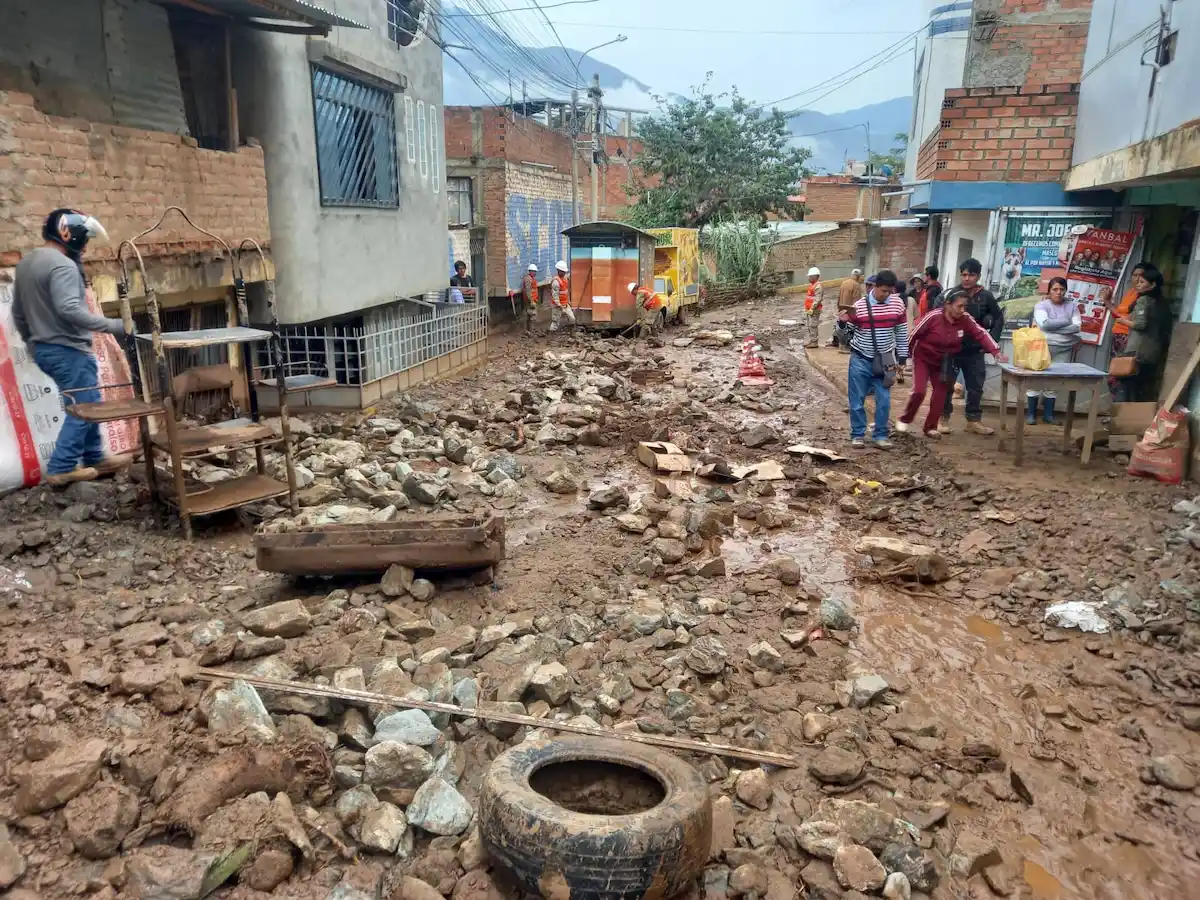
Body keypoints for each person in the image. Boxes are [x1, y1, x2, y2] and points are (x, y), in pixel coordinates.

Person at [11, 209, 132, 486]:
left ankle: (94, 456)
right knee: (84, 406)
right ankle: (61, 467)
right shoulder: (63, 266)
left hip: (46, 348)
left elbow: (18, 313)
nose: (86, 247)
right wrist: (115, 325)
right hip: (68, 349)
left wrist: (32, 341)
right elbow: (69, 309)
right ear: (72, 235)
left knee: (86, 401)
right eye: (85, 240)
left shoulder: (27, 263)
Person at [898, 292, 1008, 438]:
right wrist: (907, 357)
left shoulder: (966, 319)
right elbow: (914, 335)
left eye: (965, 306)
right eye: (959, 306)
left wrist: (996, 352)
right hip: (923, 358)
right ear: (948, 305)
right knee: (919, 391)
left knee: (941, 393)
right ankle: (905, 419)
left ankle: (930, 427)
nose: (962, 310)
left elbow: (981, 333)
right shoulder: (933, 317)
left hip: (945, 360)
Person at [839, 269, 908, 449]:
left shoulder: (898, 305)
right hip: (860, 358)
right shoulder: (859, 307)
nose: (886, 295)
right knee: (857, 400)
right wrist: (841, 324)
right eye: (883, 291)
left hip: (886, 360)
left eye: (889, 291)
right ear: (875, 287)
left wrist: (902, 358)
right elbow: (845, 338)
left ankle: (880, 435)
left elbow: (901, 333)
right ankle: (858, 434)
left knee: (884, 400)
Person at [935, 258, 1004, 435]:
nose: (967, 278)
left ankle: (973, 420)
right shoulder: (951, 294)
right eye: (964, 274)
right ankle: (943, 418)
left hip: (974, 349)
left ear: (978, 276)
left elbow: (998, 318)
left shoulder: (985, 296)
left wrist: (991, 343)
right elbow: (936, 314)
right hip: (951, 348)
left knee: (975, 385)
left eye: (971, 275)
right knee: (946, 383)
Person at [1026, 276, 1081, 425]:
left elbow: (1077, 327)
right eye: (1055, 289)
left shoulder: (1072, 306)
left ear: (1066, 291)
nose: (1058, 292)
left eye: (1062, 289)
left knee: (1054, 381)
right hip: (1041, 347)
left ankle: (1048, 415)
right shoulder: (1042, 305)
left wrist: (1053, 327)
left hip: (1064, 349)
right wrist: (1065, 322)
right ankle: (1031, 414)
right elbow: (1045, 325)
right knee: (1035, 379)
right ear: (1049, 291)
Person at [1114, 263, 1170, 402]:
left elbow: (1140, 324)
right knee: (1142, 387)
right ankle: (1138, 417)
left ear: (1152, 285)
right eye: (1137, 281)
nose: (1138, 284)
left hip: (1138, 351)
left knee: (1127, 383)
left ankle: (1123, 416)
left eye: (1142, 282)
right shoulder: (1160, 302)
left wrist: (1123, 321)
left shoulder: (1144, 301)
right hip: (1152, 351)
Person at [1105, 260, 1149, 398]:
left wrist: (1120, 315)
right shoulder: (1131, 292)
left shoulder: (1141, 296)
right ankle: (1115, 405)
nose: (1137, 279)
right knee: (1114, 372)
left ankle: (1118, 406)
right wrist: (1107, 302)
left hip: (1127, 337)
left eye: (1140, 276)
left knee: (1120, 373)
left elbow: (1129, 318)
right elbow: (1119, 313)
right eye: (1135, 275)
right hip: (1118, 335)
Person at [832, 268, 864, 350]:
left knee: (840, 326)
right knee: (849, 329)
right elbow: (857, 300)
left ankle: (837, 342)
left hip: (842, 309)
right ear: (858, 276)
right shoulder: (856, 285)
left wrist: (839, 307)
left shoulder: (844, 283)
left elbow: (839, 297)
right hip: (850, 310)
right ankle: (844, 346)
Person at [549, 260, 575, 332]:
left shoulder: (565, 279)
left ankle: (571, 332)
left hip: (565, 303)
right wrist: (560, 306)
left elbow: (566, 292)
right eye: (562, 271)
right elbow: (555, 296)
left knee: (572, 319)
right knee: (555, 322)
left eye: (564, 271)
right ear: (558, 271)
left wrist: (568, 301)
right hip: (557, 305)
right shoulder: (556, 282)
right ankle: (551, 336)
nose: (564, 273)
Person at [803, 266, 823, 348]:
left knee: (813, 325)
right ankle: (812, 340)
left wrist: (812, 308)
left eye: (810, 276)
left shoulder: (818, 286)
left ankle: (814, 342)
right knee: (810, 325)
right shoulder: (813, 285)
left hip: (814, 310)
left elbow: (818, 299)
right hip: (810, 309)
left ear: (815, 276)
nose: (809, 278)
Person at [520, 263, 539, 333]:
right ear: (531, 271)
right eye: (534, 272)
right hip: (530, 301)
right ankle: (531, 331)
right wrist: (531, 301)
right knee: (532, 316)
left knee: (530, 316)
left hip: (532, 299)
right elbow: (528, 291)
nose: (535, 273)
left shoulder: (531, 278)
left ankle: (529, 330)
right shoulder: (528, 279)